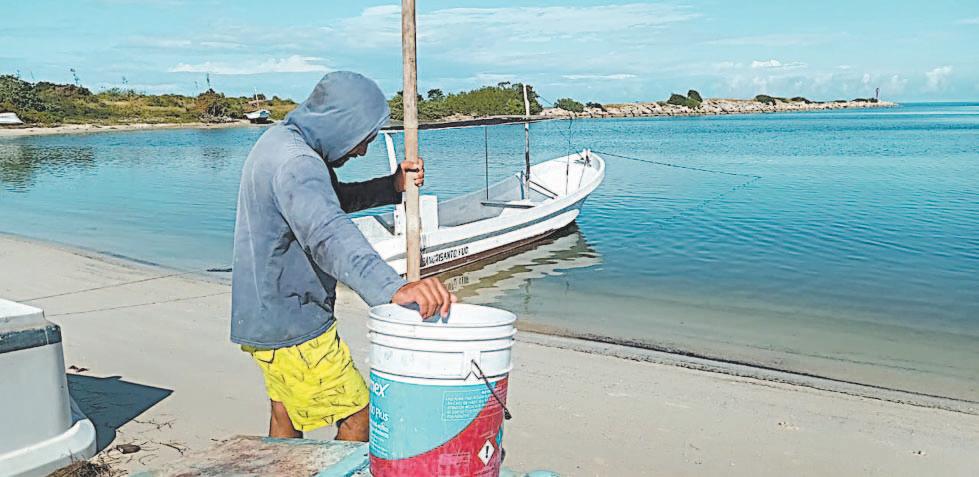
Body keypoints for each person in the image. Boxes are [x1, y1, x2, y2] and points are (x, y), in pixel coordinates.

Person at [230, 71, 455, 441]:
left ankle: (279, 467)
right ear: (340, 123)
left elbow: (330, 202)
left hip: (262, 315)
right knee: (360, 417)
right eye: (361, 139)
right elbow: (327, 232)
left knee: (286, 413)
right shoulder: (297, 163)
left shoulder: (280, 142)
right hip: (293, 324)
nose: (361, 151)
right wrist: (392, 288)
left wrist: (391, 186)